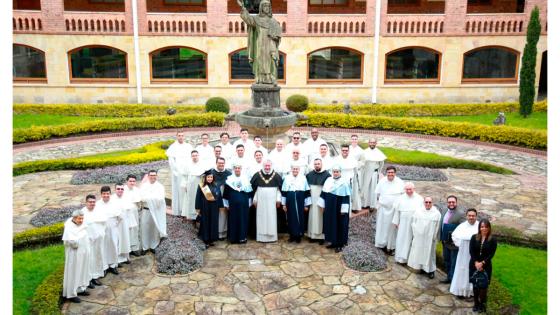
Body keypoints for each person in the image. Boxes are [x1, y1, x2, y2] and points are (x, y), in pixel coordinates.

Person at [237, 0, 282, 85]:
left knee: (272, 60)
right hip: (260, 44)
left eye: (268, 6)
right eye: (265, 6)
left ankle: (271, 78)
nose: (267, 8)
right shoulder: (257, 19)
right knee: (260, 60)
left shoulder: (273, 21)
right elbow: (248, 20)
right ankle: (260, 79)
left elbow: (278, 36)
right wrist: (243, 8)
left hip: (270, 43)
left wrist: (275, 37)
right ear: (261, 8)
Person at [318, 165, 351, 253]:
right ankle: (333, 242)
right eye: (334, 172)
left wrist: (343, 210)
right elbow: (323, 193)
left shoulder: (344, 183)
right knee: (331, 224)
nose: (335, 173)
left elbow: (346, 198)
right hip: (329, 207)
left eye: (337, 172)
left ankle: (340, 244)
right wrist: (322, 205)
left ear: (340, 172)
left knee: (340, 225)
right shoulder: (328, 181)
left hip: (339, 209)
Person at [407, 197, 441, 279]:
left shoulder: (436, 213)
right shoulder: (418, 212)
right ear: (424, 203)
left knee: (430, 254)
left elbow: (437, 226)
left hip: (430, 238)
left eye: (430, 202)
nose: (428, 204)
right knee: (419, 252)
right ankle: (421, 268)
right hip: (420, 237)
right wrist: (416, 234)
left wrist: (434, 237)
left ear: (432, 203)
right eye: (426, 202)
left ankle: (430, 271)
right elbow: (413, 223)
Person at [62, 209, 92, 303]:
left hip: (83, 253)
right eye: (79, 219)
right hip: (74, 255)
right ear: (74, 218)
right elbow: (72, 242)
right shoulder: (69, 227)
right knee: (74, 272)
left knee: (82, 271)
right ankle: (71, 294)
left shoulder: (81, 224)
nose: (81, 221)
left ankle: (80, 289)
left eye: (82, 218)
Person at [250, 160, 283, 242]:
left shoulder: (276, 176)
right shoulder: (257, 175)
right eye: (266, 166)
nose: (267, 167)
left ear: (271, 166)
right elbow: (255, 190)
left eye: (269, 166)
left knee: (271, 218)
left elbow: (279, 190)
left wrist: (278, 200)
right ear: (263, 166)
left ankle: (272, 237)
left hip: (272, 204)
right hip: (261, 203)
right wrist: (255, 200)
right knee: (261, 218)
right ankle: (261, 237)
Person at [374, 166, 404, 254]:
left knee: (392, 229)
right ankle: (381, 244)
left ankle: (391, 246)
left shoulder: (400, 182)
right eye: (389, 172)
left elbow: (402, 196)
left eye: (392, 172)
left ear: (395, 173)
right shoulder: (382, 181)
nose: (390, 174)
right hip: (383, 209)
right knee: (382, 227)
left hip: (394, 210)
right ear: (386, 173)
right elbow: (377, 194)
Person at [469, 219, 497, 313]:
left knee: (483, 287)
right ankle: (476, 303)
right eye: (482, 226)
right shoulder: (474, 237)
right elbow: (471, 251)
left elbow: (491, 254)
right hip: (474, 265)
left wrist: (482, 263)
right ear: (479, 227)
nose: (483, 228)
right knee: (475, 285)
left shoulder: (493, 240)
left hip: (486, 265)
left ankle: (482, 304)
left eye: (485, 226)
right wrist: (476, 262)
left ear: (489, 228)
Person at [391, 182, 423, 264]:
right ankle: (399, 258)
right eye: (407, 189)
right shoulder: (400, 198)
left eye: (410, 189)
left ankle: (409, 259)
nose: (408, 191)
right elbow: (397, 211)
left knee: (411, 241)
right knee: (401, 239)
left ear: (414, 189)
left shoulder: (419, 199)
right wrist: (396, 222)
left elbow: (422, 212)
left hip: (414, 223)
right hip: (403, 223)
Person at [450, 209, 479, 298]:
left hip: (475, 254)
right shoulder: (462, 226)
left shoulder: (480, 226)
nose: (471, 217)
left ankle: (471, 291)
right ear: (466, 216)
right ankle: (460, 291)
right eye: (469, 215)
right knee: (462, 271)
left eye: (473, 216)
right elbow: (454, 236)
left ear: (476, 216)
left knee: (473, 271)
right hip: (463, 253)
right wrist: (461, 244)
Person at [223, 164, 253, 244]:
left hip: (244, 203)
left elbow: (249, 193)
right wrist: (226, 204)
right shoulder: (229, 179)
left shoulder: (245, 179)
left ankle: (242, 238)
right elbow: (226, 193)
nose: (237, 169)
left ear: (241, 169)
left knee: (243, 220)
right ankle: (233, 238)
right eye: (235, 168)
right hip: (232, 204)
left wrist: (249, 203)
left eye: (239, 168)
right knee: (233, 219)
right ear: (233, 169)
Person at [139, 170, 167, 253]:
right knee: (144, 228)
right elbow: (142, 198)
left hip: (156, 211)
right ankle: (145, 247)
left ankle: (153, 246)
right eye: (151, 175)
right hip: (146, 210)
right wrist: (151, 198)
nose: (152, 177)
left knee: (154, 228)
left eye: (154, 175)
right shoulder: (144, 186)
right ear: (148, 176)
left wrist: (149, 198)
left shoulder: (160, 187)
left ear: (156, 176)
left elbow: (160, 198)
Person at [166, 131, 193, 216]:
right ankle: (179, 209)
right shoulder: (173, 147)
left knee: (187, 189)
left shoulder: (188, 146)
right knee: (178, 190)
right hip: (177, 172)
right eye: (179, 136)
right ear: (176, 136)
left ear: (184, 136)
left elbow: (192, 158)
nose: (181, 137)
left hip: (187, 171)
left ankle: (186, 209)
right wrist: (176, 171)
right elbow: (171, 161)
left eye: (182, 135)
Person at [440, 195, 466, 284]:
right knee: (446, 259)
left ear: (456, 202)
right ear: (447, 203)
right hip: (444, 240)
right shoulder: (444, 210)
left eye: (453, 202)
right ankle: (448, 277)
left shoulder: (461, 214)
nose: (451, 204)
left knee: (453, 261)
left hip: (453, 243)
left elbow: (463, 228)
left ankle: (452, 280)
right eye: (449, 202)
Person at [282, 165, 311, 243]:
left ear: (299, 170)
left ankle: (298, 236)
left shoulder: (303, 178)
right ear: (291, 169)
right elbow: (284, 192)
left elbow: (307, 192)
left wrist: (306, 205)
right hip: (290, 199)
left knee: (300, 217)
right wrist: (284, 204)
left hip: (300, 199)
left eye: (297, 169)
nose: (295, 170)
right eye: (294, 169)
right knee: (290, 217)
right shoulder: (287, 178)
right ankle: (292, 236)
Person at [196, 171, 224, 248]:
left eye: (211, 177)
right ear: (205, 178)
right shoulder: (202, 186)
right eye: (208, 177)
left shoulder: (216, 185)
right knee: (206, 222)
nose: (210, 178)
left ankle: (212, 239)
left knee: (213, 222)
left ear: (213, 178)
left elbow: (219, 196)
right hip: (205, 207)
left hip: (214, 207)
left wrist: (220, 205)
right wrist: (198, 207)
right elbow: (198, 197)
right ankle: (206, 239)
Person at [305, 158, 331, 243]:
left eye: (318, 164)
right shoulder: (309, 175)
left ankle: (321, 237)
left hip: (321, 198)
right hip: (312, 199)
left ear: (321, 164)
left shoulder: (327, 175)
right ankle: (312, 235)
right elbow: (307, 189)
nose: (317, 165)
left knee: (321, 217)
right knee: (312, 216)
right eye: (315, 164)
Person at [82, 194, 105, 287]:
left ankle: (95, 276)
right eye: (90, 202)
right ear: (86, 202)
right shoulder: (82, 213)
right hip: (88, 241)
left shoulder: (99, 210)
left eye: (93, 202)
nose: (92, 204)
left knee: (97, 257)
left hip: (98, 239)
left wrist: (101, 233)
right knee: (89, 259)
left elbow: (103, 222)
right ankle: (88, 279)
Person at [96, 186, 120, 275]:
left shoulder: (115, 203)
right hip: (102, 229)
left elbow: (119, 217)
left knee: (113, 245)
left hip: (113, 227)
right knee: (103, 246)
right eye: (104, 194)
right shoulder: (97, 204)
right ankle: (104, 266)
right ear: (101, 194)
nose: (106, 195)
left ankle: (113, 265)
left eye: (107, 193)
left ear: (110, 193)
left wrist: (114, 225)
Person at [360, 138, 386, 210]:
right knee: (365, 187)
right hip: (366, 172)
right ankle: (364, 204)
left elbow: (381, 163)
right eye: (371, 142)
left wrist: (378, 172)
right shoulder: (364, 152)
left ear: (376, 143)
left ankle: (372, 205)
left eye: (373, 142)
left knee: (373, 189)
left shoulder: (379, 152)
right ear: (368, 143)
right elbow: (361, 162)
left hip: (374, 173)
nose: (372, 144)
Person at [334, 144, 362, 212]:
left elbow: (355, 171)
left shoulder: (352, 159)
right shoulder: (336, 159)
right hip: (339, 180)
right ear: (341, 150)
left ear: (348, 151)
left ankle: (348, 212)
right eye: (343, 150)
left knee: (348, 196)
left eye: (346, 150)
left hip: (349, 181)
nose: (345, 152)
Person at [211, 157, 232, 240]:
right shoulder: (211, 173)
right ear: (216, 163)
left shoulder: (228, 174)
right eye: (219, 163)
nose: (221, 164)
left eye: (222, 163)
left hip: (224, 196)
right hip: (214, 196)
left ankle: (223, 233)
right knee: (214, 214)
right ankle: (214, 232)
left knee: (223, 214)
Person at [182, 150, 206, 222]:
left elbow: (205, 175)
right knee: (191, 201)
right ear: (191, 157)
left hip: (200, 184)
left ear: (198, 156)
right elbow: (184, 176)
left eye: (196, 155)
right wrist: (185, 185)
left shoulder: (203, 164)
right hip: (190, 186)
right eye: (193, 156)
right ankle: (193, 218)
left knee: (200, 200)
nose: (195, 157)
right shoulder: (187, 165)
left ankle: (199, 217)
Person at [111, 183, 132, 265]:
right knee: (117, 240)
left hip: (125, 222)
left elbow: (129, 211)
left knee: (125, 239)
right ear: (115, 189)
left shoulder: (126, 198)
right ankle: (117, 259)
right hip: (116, 223)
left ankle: (126, 256)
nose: (120, 190)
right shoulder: (112, 199)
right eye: (118, 189)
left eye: (122, 189)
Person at [124, 175, 142, 256]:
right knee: (126, 230)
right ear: (127, 181)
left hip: (134, 212)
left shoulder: (137, 190)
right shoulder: (123, 189)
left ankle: (134, 248)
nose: (132, 183)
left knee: (135, 229)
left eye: (133, 181)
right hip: (125, 213)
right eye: (130, 181)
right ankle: (127, 249)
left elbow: (139, 202)